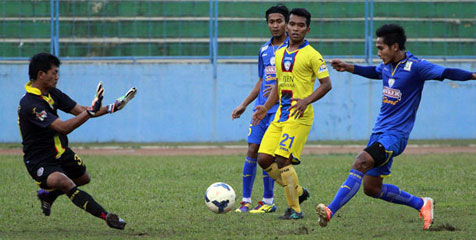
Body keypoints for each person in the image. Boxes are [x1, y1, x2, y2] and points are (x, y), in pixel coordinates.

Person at [316, 24, 476, 229]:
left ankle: (330, 211)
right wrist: (348, 67)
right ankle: (422, 203)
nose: (378, 52)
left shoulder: (417, 66)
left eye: (381, 48)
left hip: (395, 136)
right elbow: (374, 72)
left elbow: (446, 72)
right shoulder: (386, 66)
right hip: (378, 133)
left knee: (361, 161)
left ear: (395, 47)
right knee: (372, 188)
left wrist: (472, 75)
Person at [18, 53, 137, 230]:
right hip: (40, 160)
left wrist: (112, 107)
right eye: (54, 72)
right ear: (41, 74)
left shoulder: (52, 94)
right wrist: (90, 112)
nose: (57, 77)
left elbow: (81, 110)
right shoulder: (31, 104)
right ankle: (108, 217)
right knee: (64, 182)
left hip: (61, 152)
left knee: (83, 178)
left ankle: (47, 196)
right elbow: (63, 127)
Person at [252, 8, 332, 219]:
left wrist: (306, 100)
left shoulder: (313, 55)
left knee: (282, 159)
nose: (296, 29)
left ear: (307, 29)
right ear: (288, 26)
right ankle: (297, 191)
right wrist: (265, 107)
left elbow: (326, 85)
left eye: (301, 26)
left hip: (299, 116)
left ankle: (294, 210)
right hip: (280, 114)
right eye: (293, 24)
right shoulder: (279, 54)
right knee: (263, 158)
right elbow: (278, 84)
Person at [232, 4, 289, 214]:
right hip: (260, 109)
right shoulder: (264, 50)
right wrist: (244, 104)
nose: (275, 25)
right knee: (252, 150)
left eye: (279, 21)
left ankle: (268, 200)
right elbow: (262, 80)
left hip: (278, 110)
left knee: (268, 154)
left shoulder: (292, 50)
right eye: (271, 22)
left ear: (286, 23)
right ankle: (245, 201)